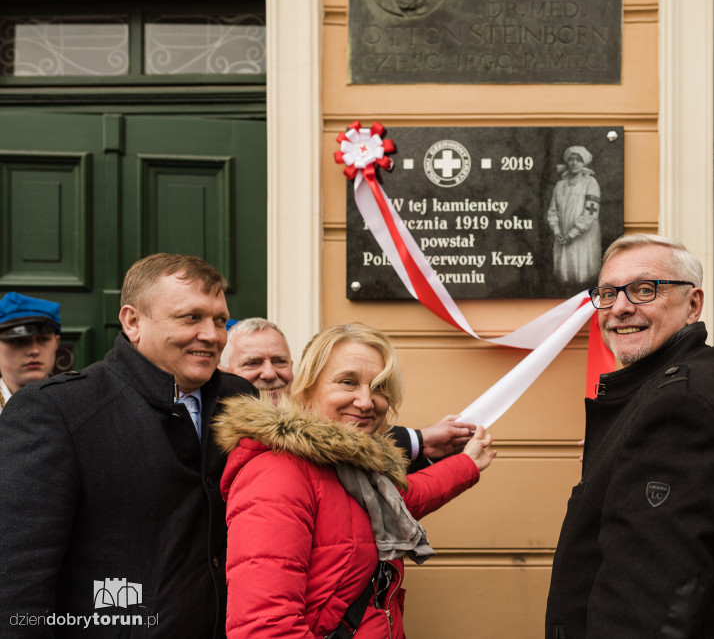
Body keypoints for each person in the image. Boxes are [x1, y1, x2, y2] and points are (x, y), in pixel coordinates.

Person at [0, 254, 256, 638]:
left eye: (219, 320)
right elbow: (18, 582)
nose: (212, 334)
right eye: (191, 317)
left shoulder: (242, 400)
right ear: (132, 322)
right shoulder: (58, 410)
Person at [214, 322, 496, 638]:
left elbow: (404, 498)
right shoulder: (277, 473)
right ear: (306, 388)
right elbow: (265, 628)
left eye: (378, 387)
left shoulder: (355, 468)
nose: (366, 401)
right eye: (348, 382)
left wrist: (466, 463)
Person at [546, 234, 714, 638]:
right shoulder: (669, 385)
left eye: (645, 289)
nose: (621, 308)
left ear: (693, 304)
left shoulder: (679, 407)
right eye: (608, 294)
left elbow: (650, 600)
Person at [219, 316, 477, 471]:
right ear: (223, 371)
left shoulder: (325, 425)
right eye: (252, 363)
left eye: (280, 361)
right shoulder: (215, 426)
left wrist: (422, 441)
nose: (269, 373)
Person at [546, 145, 601, 284]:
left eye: (578, 160)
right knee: (565, 273)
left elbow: (590, 212)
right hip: (562, 235)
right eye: (571, 159)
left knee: (583, 272)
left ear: (584, 163)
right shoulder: (560, 185)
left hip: (583, 235)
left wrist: (573, 233)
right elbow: (553, 211)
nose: (574, 163)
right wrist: (557, 231)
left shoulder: (590, 183)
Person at [0, 292, 62, 410]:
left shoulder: (78, 403)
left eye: (43, 339)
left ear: (56, 343)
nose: (34, 351)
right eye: (19, 341)